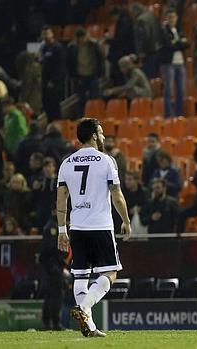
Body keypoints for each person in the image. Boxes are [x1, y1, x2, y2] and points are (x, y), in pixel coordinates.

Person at [56, 118, 131, 338]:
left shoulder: (66, 163)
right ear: (94, 136)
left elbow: (61, 199)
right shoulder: (107, 161)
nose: (104, 136)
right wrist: (126, 221)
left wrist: (62, 230)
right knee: (111, 272)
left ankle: (89, 328)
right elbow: (117, 195)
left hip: (77, 227)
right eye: (101, 132)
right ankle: (85, 307)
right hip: (100, 225)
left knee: (81, 276)